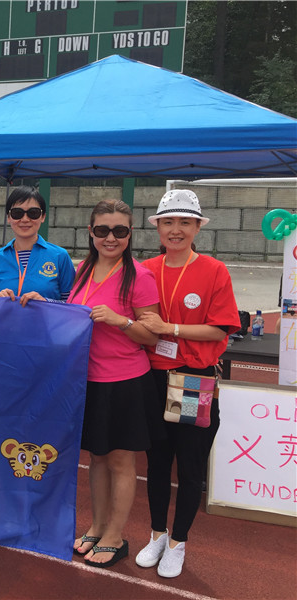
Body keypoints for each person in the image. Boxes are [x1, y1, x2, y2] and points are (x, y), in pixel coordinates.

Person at [134, 189, 240, 578]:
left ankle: (179, 542)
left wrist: (170, 328)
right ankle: (157, 534)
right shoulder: (145, 269)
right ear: (158, 227)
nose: (175, 229)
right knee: (157, 462)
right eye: (168, 222)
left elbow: (220, 329)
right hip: (153, 378)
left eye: (184, 222)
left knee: (190, 465)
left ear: (197, 227)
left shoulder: (214, 270)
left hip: (193, 379)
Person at [66, 199, 161, 568]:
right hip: (87, 378)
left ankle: (115, 536)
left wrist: (121, 321)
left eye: (119, 231)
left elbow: (152, 336)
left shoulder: (139, 276)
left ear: (130, 234)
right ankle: (97, 526)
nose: (110, 238)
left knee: (120, 459)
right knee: (96, 456)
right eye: (103, 230)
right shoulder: (82, 270)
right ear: (91, 232)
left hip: (125, 381)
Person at [0, 186, 75, 303]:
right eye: (17, 213)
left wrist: (45, 302)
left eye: (33, 213)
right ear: (8, 217)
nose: (25, 219)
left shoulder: (60, 257)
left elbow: (72, 304)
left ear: (43, 217)